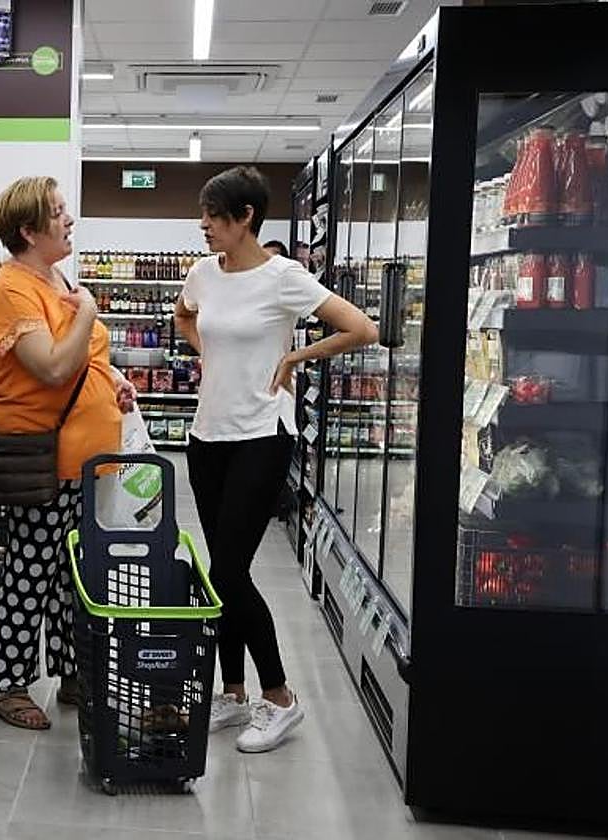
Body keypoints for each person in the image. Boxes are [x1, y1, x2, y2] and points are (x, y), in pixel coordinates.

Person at [175, 166, 376, 753]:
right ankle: (233, 695)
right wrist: (208, 350)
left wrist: (294, 359)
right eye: (204, 215)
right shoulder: (202, 274)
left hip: (262, 434)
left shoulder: (284, 276)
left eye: (214, 217)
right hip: (206, 436)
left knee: (227, 574)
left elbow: (360, 329)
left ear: (245, 219)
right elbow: (186, 317)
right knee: (221, 569)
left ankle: (281, 698)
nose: (204, 226)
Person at [0, 176, 135, 730]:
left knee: (69, 572)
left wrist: (110, 378)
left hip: (80, 462)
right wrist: (90, 309)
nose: (69, 219)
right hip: (43, 458)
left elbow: (79, 360)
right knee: (31, 569)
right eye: (59, 212)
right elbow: (50, 366)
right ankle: (9, 686)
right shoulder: (13, 288)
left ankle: (72, 674)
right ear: (28, 229)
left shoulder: (51, 277)